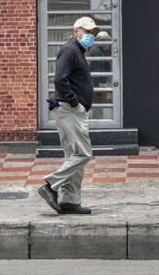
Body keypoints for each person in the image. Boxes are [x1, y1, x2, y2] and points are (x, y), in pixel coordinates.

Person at [37, 16, 104, 215]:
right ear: (76, 31)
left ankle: (70, 201)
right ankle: (50, 186)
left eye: (93, 32)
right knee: (83, 154)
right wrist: (75, 103)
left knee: (73, 155)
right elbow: (59, 79)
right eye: (86, 31)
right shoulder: (71, 49)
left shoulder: (78, 51)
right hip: (70, 110)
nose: (90, 35)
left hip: (69, 110)